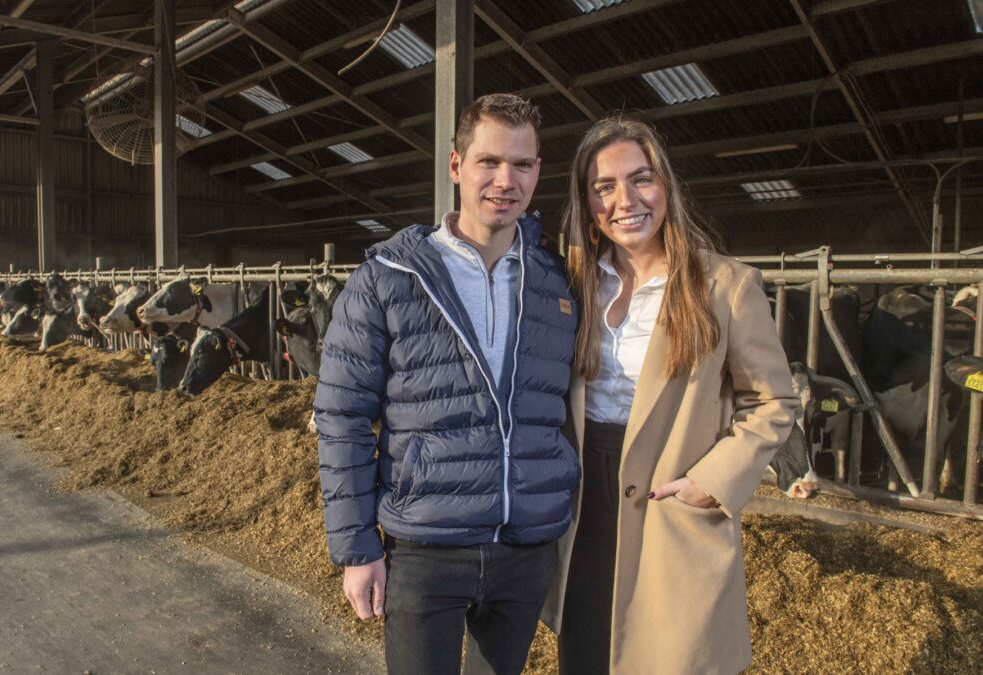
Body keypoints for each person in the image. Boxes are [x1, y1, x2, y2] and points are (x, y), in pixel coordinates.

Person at [314, 93, 580, 674]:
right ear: (456, 165)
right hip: (425, 549)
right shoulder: (388, 278)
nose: (505, 180)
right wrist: (357, 549)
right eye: (488, 161)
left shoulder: (557, 282)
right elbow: (343, 417)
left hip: (526, 547)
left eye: (523, 165)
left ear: (539, 172)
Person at [540, 116, 799, 674]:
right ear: (586, 202)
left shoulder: (726, 286)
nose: (625, 200)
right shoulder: (574, 283)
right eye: (603, 187)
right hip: (583, 502)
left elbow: (774, 401)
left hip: (670, 498)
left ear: (667, 187)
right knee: (585, 653)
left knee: (667, 656)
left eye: (642, 179)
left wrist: (714, 480)